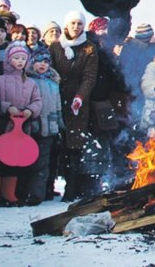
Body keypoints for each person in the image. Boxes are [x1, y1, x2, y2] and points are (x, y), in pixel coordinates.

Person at [0, 42, 42, 208]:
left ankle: (8, 193)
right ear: (8, 60)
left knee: (13, 160)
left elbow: (37, 101)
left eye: (23, 58)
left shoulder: (31, 83)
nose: (20, 61)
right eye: (16, 58)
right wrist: (8, 107)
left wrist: (30, 110)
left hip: (21, 127)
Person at [49, 11, 100, 202]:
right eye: (72, 23)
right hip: (56, 95)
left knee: (75, 144)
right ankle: (47, 187)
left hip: (78, 99)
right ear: (66, 25)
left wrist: (80, 96)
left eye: (79, 23)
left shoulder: (89, 48)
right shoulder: (55, 47)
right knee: (55, 142)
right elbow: (50, 69)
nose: (76, 27)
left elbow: (89, 76)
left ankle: (72, 188)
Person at [24, 45, 63, 205]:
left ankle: (37, 194)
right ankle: (24, 191)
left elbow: (58, 105)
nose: (42, 65)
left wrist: (60, 123)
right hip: (31, 127)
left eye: (45, 61)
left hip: (49, 128)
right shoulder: (28, 81)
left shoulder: (53, 83)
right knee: (28, 161)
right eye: (38, 61)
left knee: (42, 163)